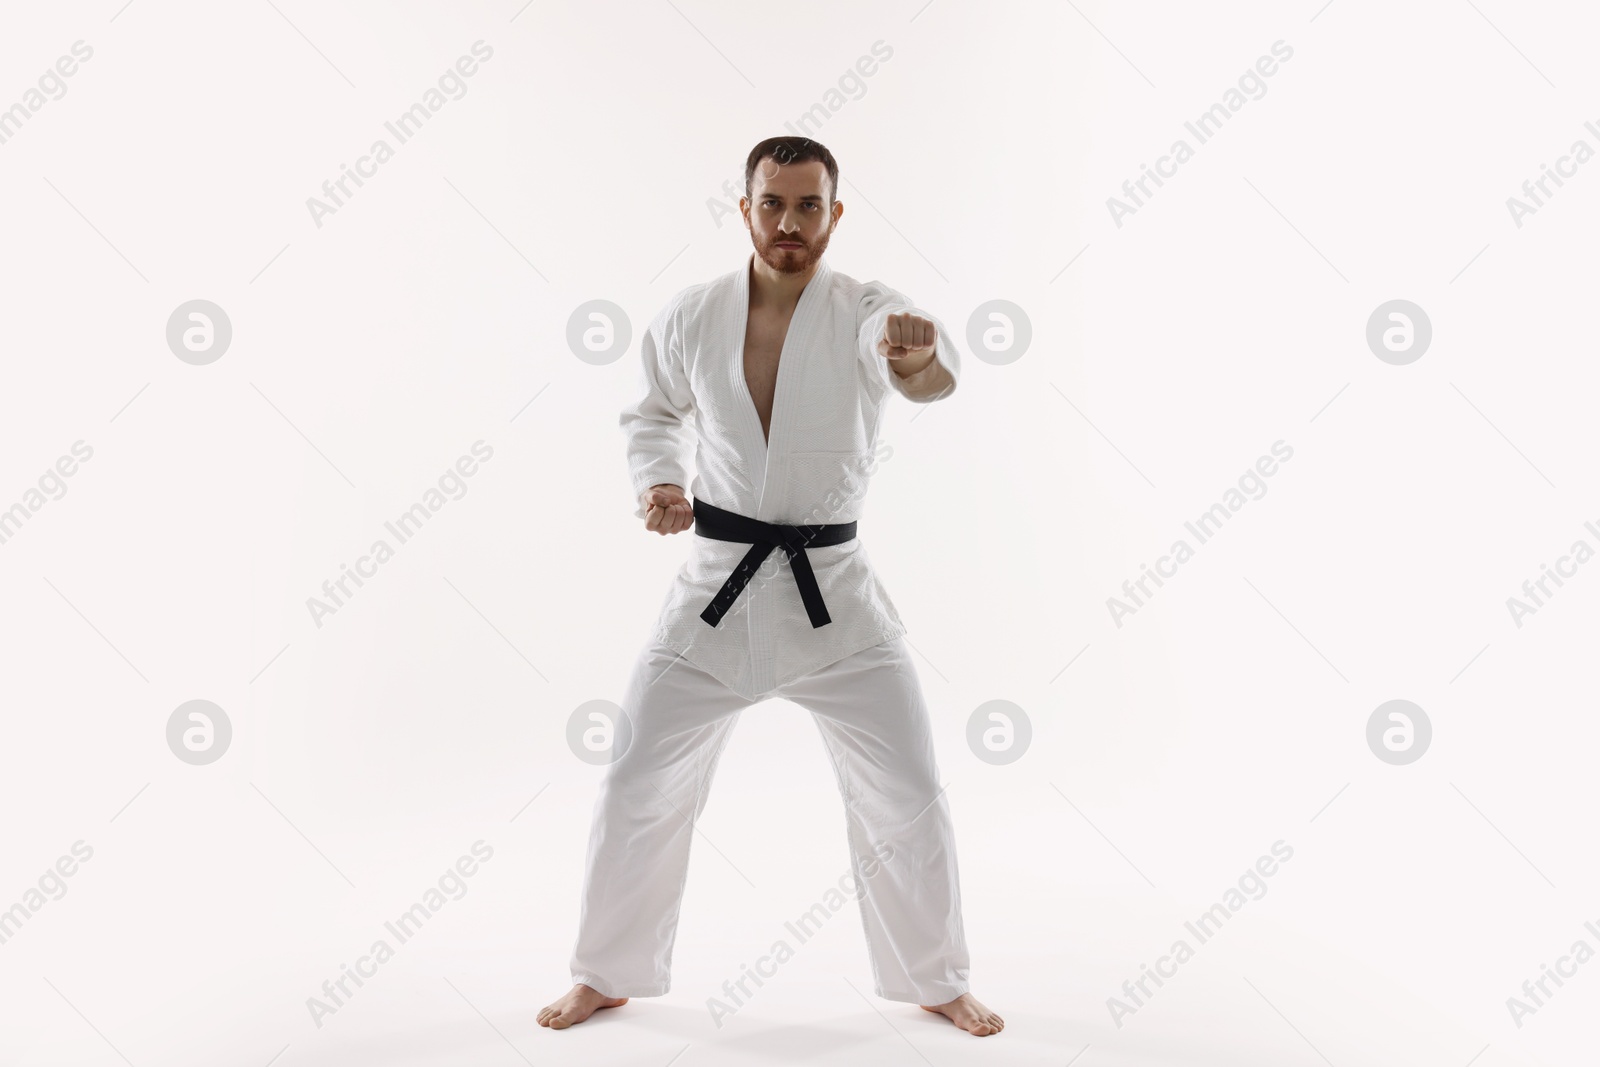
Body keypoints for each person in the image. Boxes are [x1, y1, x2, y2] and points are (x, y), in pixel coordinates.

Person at [539, 136, 1002, 1037]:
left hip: (837, 599)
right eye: (771, 203)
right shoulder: (692, 313)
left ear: (835, 212)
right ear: (742, 207)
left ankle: (936, 976)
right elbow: (652, 412)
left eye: (808, 205)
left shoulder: (869, 310)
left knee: (906, 786)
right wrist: (661, 486)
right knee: (637, 778)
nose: (789, 222)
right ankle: (605, 970)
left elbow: (926, 377)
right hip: (713, 592)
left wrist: (913, 356)